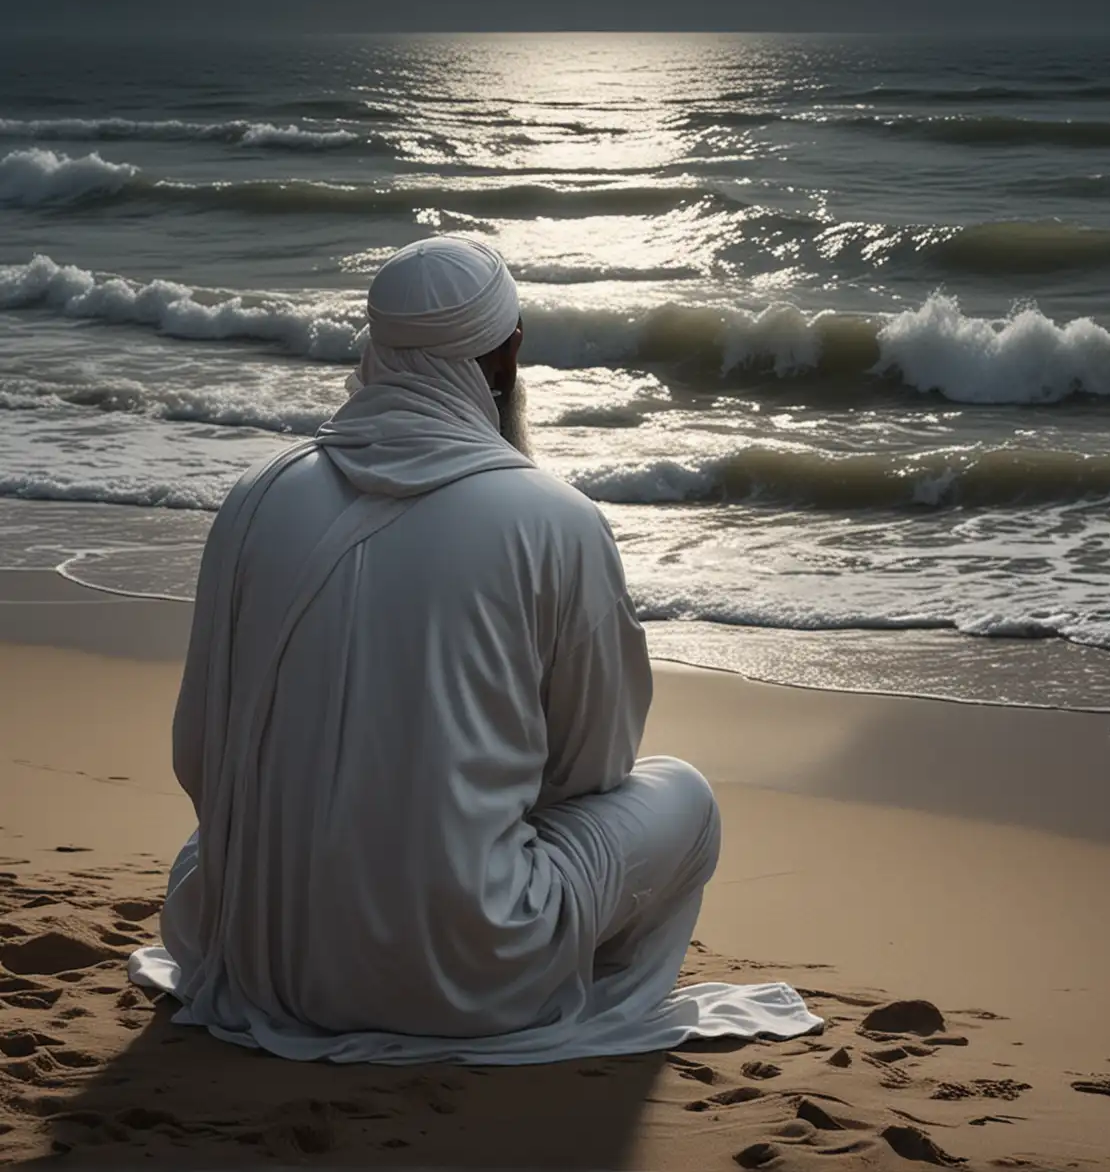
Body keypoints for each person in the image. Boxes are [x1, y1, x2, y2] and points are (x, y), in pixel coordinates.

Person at [130, 235, 818, 1063]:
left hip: (265, 959)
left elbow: (200, 755)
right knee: (686, 800)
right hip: (467, 977)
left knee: (211, 851)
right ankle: (571, 982)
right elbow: (593, 769)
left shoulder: (258, 495)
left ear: (375, 347)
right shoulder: (555, 520)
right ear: (509, 356)